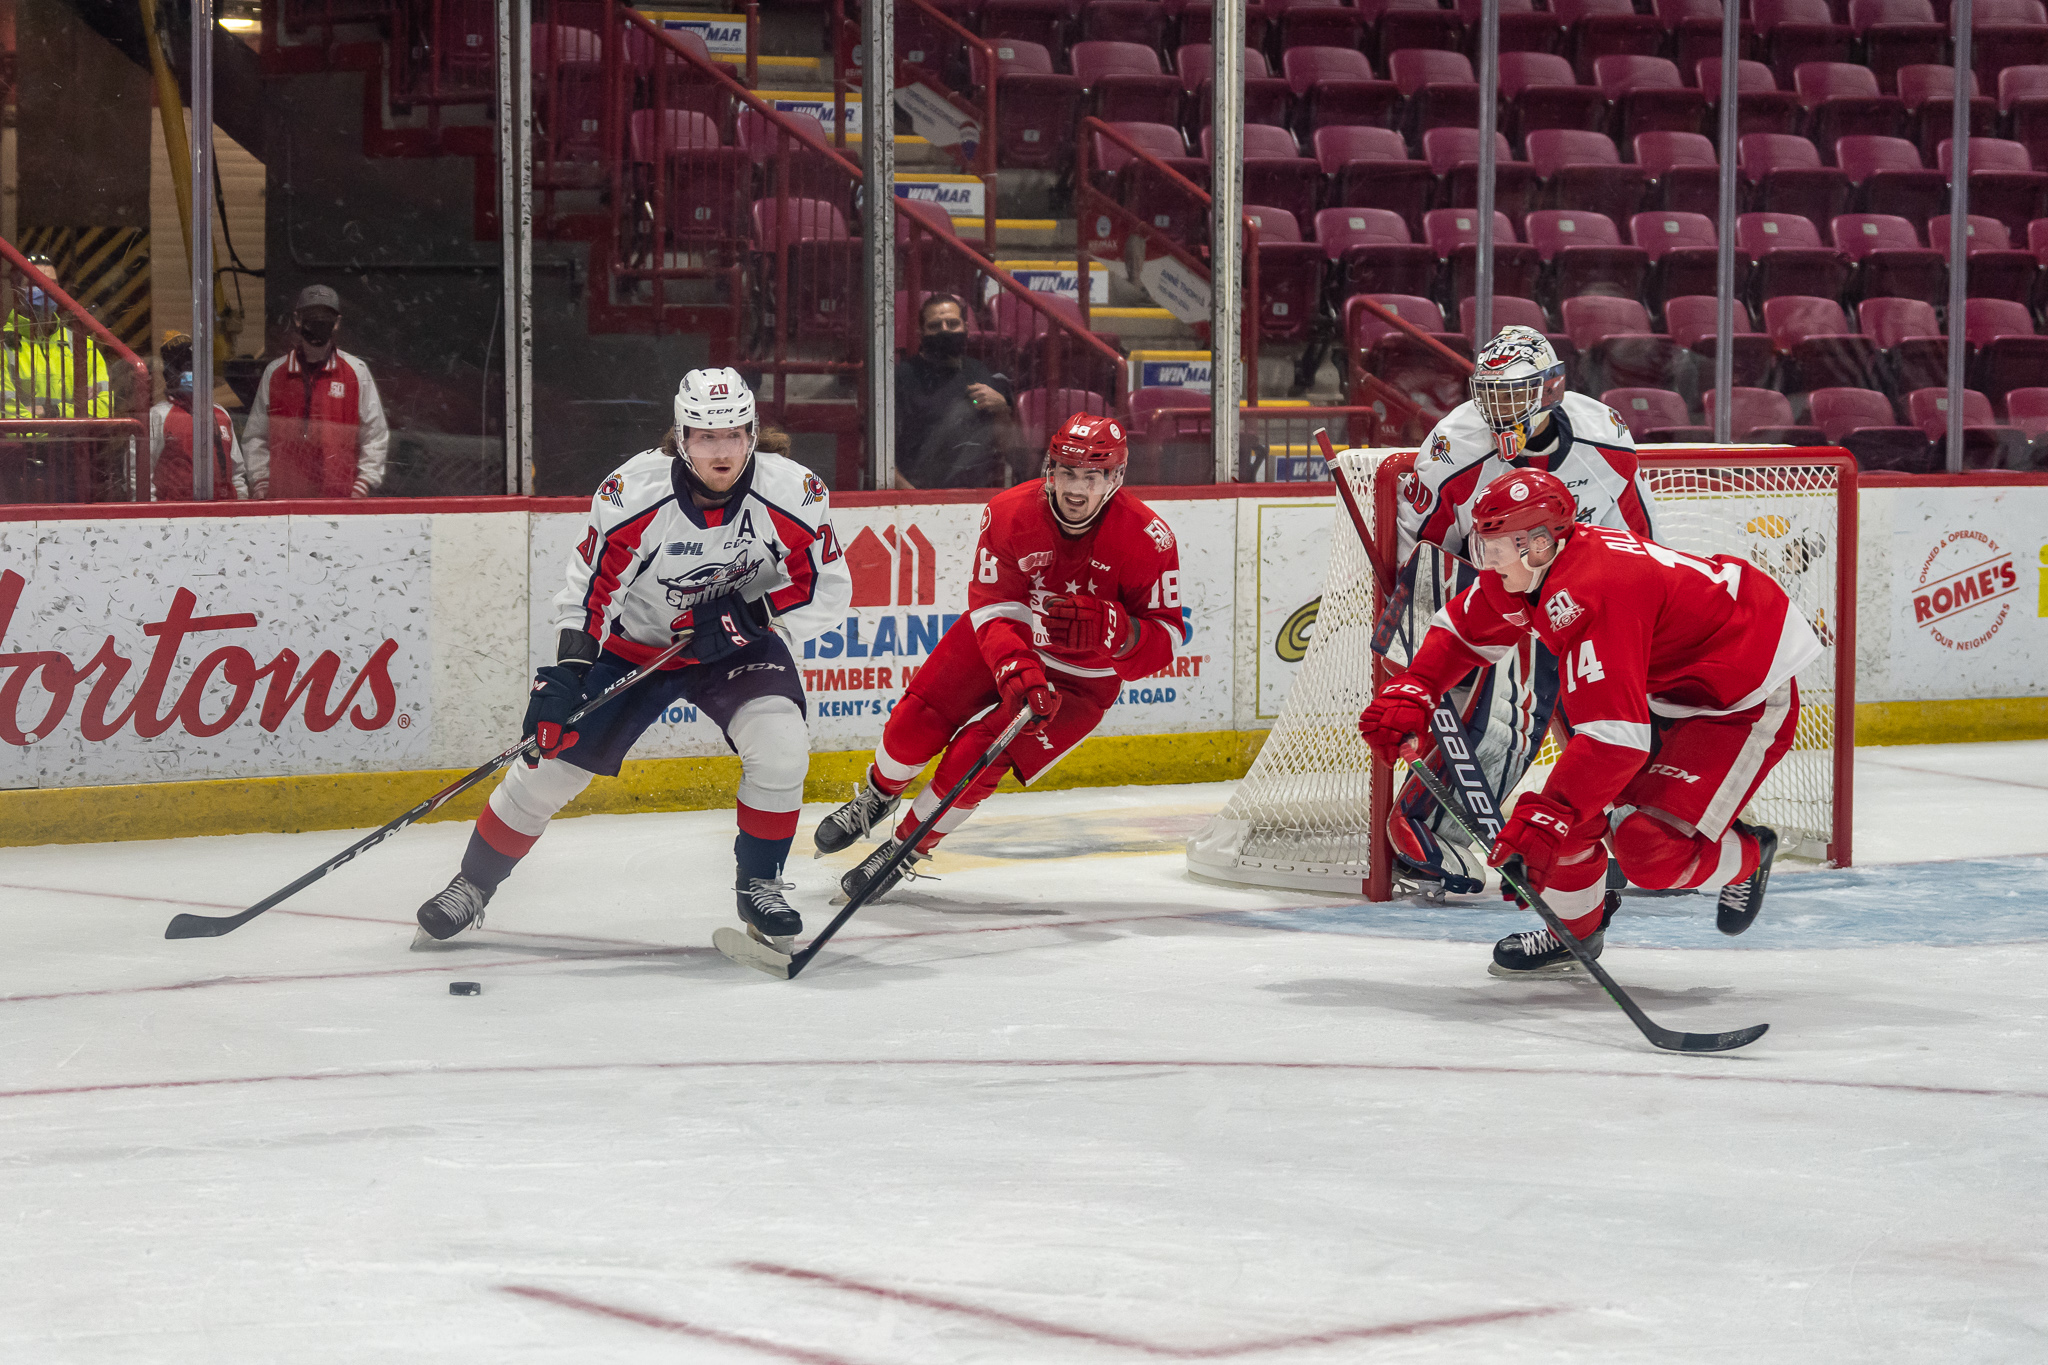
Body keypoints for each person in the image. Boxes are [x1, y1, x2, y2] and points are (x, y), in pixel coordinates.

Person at [413, 368, 852, 951]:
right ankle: (472, 885)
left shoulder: (795, 493)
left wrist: (751, 616)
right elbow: (589, 593)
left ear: (751, 433)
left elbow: (827, 586)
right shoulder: (632, 494)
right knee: (549, 770)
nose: (722, 451)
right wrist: (567, 675)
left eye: (734, 434)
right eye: (705, 436)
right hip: (633, 649)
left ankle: (761, 886)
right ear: (681, 436)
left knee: (781, 745)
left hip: (736, 645)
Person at [1357, 468, 1815, 976]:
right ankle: (1574, 937)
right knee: (1571, 821)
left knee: (1648, 853)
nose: (1486, 561)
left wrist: (1546, 815)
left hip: (1738, 695)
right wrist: (1415, 687)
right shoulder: (1535, 570)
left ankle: (1750, 852)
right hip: (1663, 687)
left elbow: (1616, 742)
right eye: (1483, 544)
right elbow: (1463, 628)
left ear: (1537, 545)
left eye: (1496, 548)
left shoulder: (1596, 590)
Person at [815, 412, 1183, 902]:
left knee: (975, 757)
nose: (1076, 488)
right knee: (914, 722)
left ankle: (906, 846)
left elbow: (1167, 637)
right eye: (1067, 472)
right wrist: (1018, 667)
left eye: (1091, 476)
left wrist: (1114, 630)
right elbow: (995, 606)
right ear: (1050, 468)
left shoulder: (1148, 538)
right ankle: (876, 796)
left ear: (1114, 478)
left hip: (1081, 681)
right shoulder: (1010, 512)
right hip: (1003, 644)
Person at [1375, 325, 1660, 897]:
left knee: (1618, 718)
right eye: (1489, 394)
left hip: (1587, 589)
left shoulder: (1605, 438)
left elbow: (1639, 536)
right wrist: (1434, 628)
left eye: (1513, 395)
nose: (1496, 411)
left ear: (1552, 388)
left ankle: (1632, 836)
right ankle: (1431, 825)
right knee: (1514, 706)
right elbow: (1424, 550)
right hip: (1491, 591)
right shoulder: (1455, 447)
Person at [241, 285, 389, 498]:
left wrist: (363, 483)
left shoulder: (356, 372)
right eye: (311, 316)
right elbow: (256, 436)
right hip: (285, 501)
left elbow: (375, 435)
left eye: (325, 316)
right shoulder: (275, 374)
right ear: (298, 319)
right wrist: (261, 482)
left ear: (337, 322)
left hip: (340, 500)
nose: (319, 321)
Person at [893, 293, 1013, 489]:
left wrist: (1002, 409)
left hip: (976, 496)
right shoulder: (902, 376)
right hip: (919, 496)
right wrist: (914, 499)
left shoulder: (980, 371)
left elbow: (1010, 449)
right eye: (935, 326)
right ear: (920, 332)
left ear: (965, 326)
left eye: (952, 323)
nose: (945, 331)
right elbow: (881, 454)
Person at [1, 254, 112, 420]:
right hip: (28, 445)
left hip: (71, 444)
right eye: (36, 283)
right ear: (18, 290)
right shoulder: (5, 345)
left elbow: (104, 408)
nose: (45, 290)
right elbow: (8, 416)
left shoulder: (82, 345)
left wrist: (52, 412)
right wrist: (71, 420)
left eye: (52, 284)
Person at [149, 331, 247, 501]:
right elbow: (141, 474)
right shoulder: (158, 416)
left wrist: (241, 507)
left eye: (193, 366)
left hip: (224, 514)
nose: (190, 373)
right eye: (183, 367)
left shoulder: (221, 415)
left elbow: (237, 474)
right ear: (169, 374)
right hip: (173, 518)